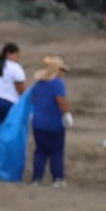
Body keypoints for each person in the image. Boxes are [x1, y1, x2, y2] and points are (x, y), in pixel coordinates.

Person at [28, 54, 72, 187]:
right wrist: (66, 115)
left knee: (40, 151)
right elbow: (61, 100)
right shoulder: (57, 83)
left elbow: (32, 99)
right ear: (57, 70)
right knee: (56, 152)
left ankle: (36, 178)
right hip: (54, 124)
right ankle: (57, 178)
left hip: (38, 123)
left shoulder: (39, 83)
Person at [0, 43, 26, 127]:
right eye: (16, 55)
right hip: (9, 104)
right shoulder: (16, 68)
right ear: (9, 54)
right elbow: (20, 88)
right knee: (10, 130)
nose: (18, 58)